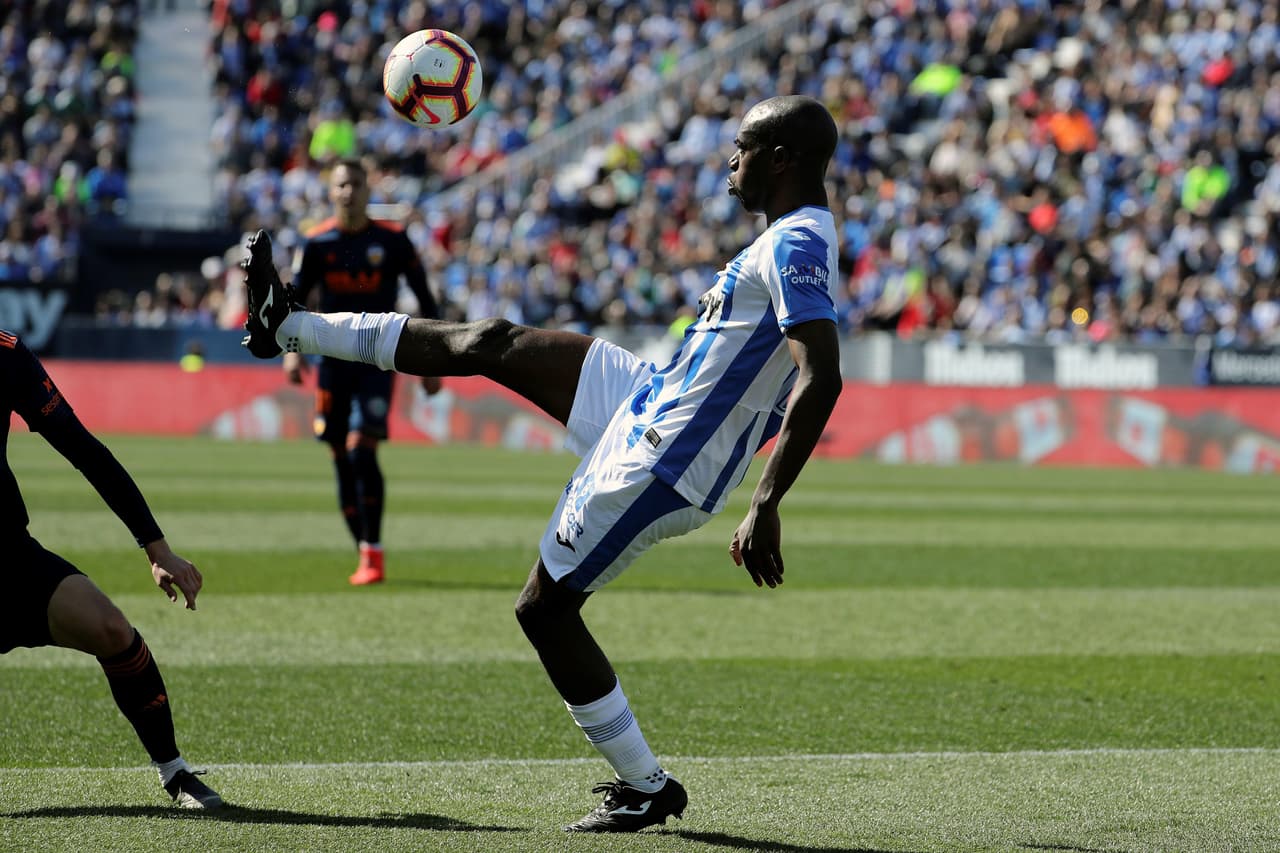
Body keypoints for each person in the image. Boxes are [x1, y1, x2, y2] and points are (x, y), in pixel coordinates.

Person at [241, 95, 842, 832]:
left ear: (781, 159)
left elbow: (822, 374)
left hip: (663, 459)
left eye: (743, 146)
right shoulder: (786, 236)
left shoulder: (798, 243)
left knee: (543, 609)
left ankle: (645, 784)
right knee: (494, 340)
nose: (730, 159)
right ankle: (288, 325)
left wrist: (766, 500)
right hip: (650, 398)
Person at [1, 329, 222, 810]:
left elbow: (83, 450)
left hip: (6, 560)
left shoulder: (4, 353)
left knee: (111, 628)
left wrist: (156, 549)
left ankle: (174, 771)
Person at [284, 157, 442, 585]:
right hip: (332, 363)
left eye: (355, 184)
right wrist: (293, 353)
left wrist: (434, 361)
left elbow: (426, 300)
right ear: (331, 193)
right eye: (341, 185)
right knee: (339, 456)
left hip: (377, 358)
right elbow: (295, 301)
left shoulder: (393, 240)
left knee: (360, 448)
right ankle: (364, 550)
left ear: (369, 191)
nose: (348, 192)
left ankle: (373, 553)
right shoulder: (316, 242)